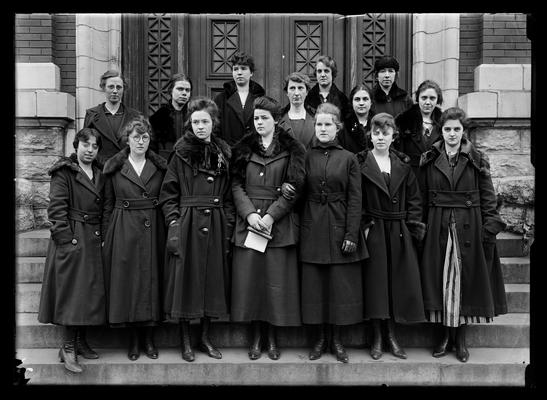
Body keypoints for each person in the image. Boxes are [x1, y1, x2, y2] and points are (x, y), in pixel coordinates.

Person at [419, 107, 507, 363]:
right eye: (447, 129)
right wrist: (421, 227)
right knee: (441, 280)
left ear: (464, 131)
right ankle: (444, 336)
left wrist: (490, 226)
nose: (452, 134)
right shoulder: (429, 159)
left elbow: (488, 195)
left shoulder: (477, 159)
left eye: (457, 129)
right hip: (438, 224)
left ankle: (461, 339)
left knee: (463, 280)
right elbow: (422, 197)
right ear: (441, 131)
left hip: (469, 224)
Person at [230, 96, 306, 361]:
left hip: (278, 225)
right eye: (256, 118)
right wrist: (250, 214)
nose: (259, 122)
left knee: (275, 283)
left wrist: (272, 215)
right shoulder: (242, 148)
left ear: (275, 120)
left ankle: (273, 338)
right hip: (249, 223)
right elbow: (236, 185)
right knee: (251, 283)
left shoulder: (292, 150)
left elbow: (295, 187)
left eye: (264, 117)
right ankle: (255, 337)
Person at [159, 97, 235, 362]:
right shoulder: (180, 153)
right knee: (185, 280)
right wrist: (174, 221)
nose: (200, 126)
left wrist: (227, 224)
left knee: (211, 281)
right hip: (188, 222)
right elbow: (168, 193)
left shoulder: (223, 154)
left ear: (213, 123)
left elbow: (228, 195)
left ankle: (204, 338)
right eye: (195, 122)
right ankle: (185, 341)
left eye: (205, 121)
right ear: (189, 124)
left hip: (214, 222)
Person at [299, 102, 368, 363]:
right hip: (313, 227)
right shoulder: (305, 155)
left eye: (328, 124)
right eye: (319, 124)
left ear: (338, 128)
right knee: (316, 288)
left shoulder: (348, 158)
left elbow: (355, 199)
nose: (323, 128)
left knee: (339, 288)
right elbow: (298, 190)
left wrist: (351, 234)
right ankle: (319, 340)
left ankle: (337, 340)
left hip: (340, 227)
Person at [356, 113, 426, 360]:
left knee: (396, 283)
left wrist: (411, 227)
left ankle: (392, 337)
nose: (380, 138)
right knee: (376, 285)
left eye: (385, 133)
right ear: (370, 135)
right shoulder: (361, 163)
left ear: (393, 136)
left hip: (398, 230)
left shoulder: (403, 165)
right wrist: (364, 226)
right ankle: (376, 337)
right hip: (375, 228)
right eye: (376, 133)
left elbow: (415, 199)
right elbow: (356, 198)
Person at [37, 128, 106, 373]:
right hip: (73, 239)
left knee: (87, 292)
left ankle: (80, 341)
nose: (90, 150)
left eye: (94, 146)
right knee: (72, 294)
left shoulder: (100, 172)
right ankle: (67, 346)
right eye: (85, 145)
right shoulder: (64, 172)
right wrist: (66, 241)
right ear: (76, 146)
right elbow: (56, 211)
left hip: (93, 237)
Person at [102, 115, 167, 361]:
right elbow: (108, 204)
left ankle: (149, 339)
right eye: (136, 137)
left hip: (152, 226)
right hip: (124, 227)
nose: (141, 142)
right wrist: (107, 234)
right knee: (128, 281)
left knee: (150, 280)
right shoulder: (115, 168)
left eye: (145, 137)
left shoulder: (160, 167)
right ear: (127, 140)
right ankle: (132, 340)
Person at [83, 70, 142, 164]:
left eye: (119, 87)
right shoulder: (92, 115)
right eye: (111, 87)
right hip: (101, 170)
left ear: (123, 89)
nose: (115, 91)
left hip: (127, 170)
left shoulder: (135, 116)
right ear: (103, 88)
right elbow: (85, 145)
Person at [395, 79, 444, 187]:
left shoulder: (444, 123)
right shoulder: (404, 121)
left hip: (436, 179)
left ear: (437, 100)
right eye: (424, 98)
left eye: (432, 98)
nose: (427, 102)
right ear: (418, 98)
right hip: (411, 178)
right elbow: (398, 153)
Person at [214, 52, 266, 145]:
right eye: (235, 69)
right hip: (229, 154)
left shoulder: (261, 98)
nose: (239, 73)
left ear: (251, 73)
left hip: (254, 155)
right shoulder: (221, 99)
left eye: (243, 69)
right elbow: (215, 129)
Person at [149, 73, 193, 160]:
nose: (184, 93)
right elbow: (152, 149)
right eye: (180, 89)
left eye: (187, 90)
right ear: (170, 91)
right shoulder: (157, 119)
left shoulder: (195, 117)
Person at [304, 55, 351, 122]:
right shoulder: (307, 98)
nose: (323, 75)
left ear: (332, 73)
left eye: (326, 71)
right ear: (316, 74)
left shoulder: (342, 99)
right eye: (319, 71)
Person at [278, 72, 316, 149]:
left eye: (300, 88)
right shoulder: (278, 119)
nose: (296, 93)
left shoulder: (316, 118)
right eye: (292, 88)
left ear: (307, 92)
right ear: (287, 92)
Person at [339, 84, 374, 153]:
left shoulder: (378, 124)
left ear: (371, 102)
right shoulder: (343, 127)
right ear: (352, 102)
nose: (361, 103)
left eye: (365, 99)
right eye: (357, 99)